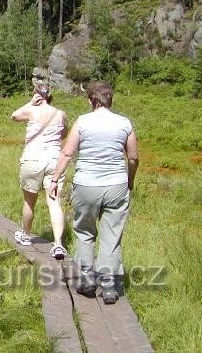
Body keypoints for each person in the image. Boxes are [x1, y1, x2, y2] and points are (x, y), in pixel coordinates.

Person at [49, 81, 139, 305]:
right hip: (116, 186)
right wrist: (129, 180)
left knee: (85, 231)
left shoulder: (82, 121)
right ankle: (108, 286)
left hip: (86, 185)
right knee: (112, 235)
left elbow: (67, 153)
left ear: (90, 100)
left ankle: (87, 278)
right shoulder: (124, 123)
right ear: (111, 100)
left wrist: (54, 179)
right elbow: (133, 158)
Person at [11, 82, 68, 259]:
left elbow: (14, 116)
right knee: (54, 201)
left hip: (32, 159)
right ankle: (58, 244)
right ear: (50, 96)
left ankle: (26, 235)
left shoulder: (31, 111)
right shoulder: (60, 114)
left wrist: (30, 103)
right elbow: (64, 134)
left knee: (29, 201)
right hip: (54, 160)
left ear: (37, 95)